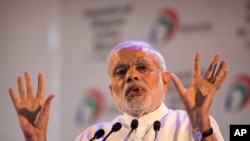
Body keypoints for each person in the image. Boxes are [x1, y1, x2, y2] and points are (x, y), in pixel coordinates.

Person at [8, 40, 228, 141]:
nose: (131, 76)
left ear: (165, 81)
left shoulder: (191, 127)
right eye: (121, 72)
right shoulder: (94, 137)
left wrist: (201, 122)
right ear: (112, 90)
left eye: (143, 68)